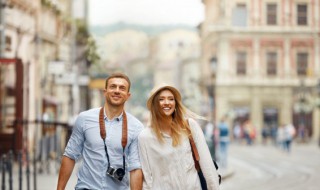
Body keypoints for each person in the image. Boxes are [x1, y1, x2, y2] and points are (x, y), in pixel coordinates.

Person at [57, 73, 144, 190]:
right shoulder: (84, 118)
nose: (117, 91)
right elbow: (70, 155)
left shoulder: (136, 127)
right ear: (105, 92)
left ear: (128, 95)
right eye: (113, 86)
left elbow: (135, 169)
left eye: (122, 88)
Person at [138, 84, 220, 190]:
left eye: (171, 99)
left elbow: (207, 165)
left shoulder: (190, 127)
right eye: (161, 99)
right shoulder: (145, 137)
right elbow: (147, 179)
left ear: (175, 103)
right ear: (154, 104)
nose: (167, 102)